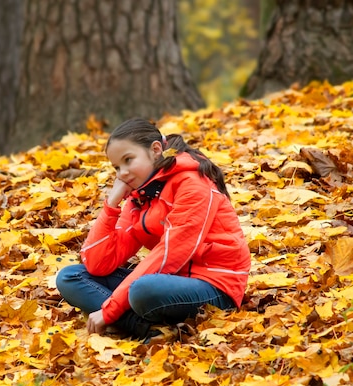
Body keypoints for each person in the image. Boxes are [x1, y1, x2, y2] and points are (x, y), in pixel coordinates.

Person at [56, 118, 251, 340]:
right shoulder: (140, 195)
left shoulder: (193, 184)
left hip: (216, 286)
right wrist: (111, 205)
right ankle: (145, 329)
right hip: (170, 280)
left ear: (155, 150)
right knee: (70, 277)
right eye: (117, 167)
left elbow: (170, 254)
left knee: (143, 290)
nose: (123, 173)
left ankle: (129, 321)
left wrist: (109, 310)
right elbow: (98, 263)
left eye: (128, 160)